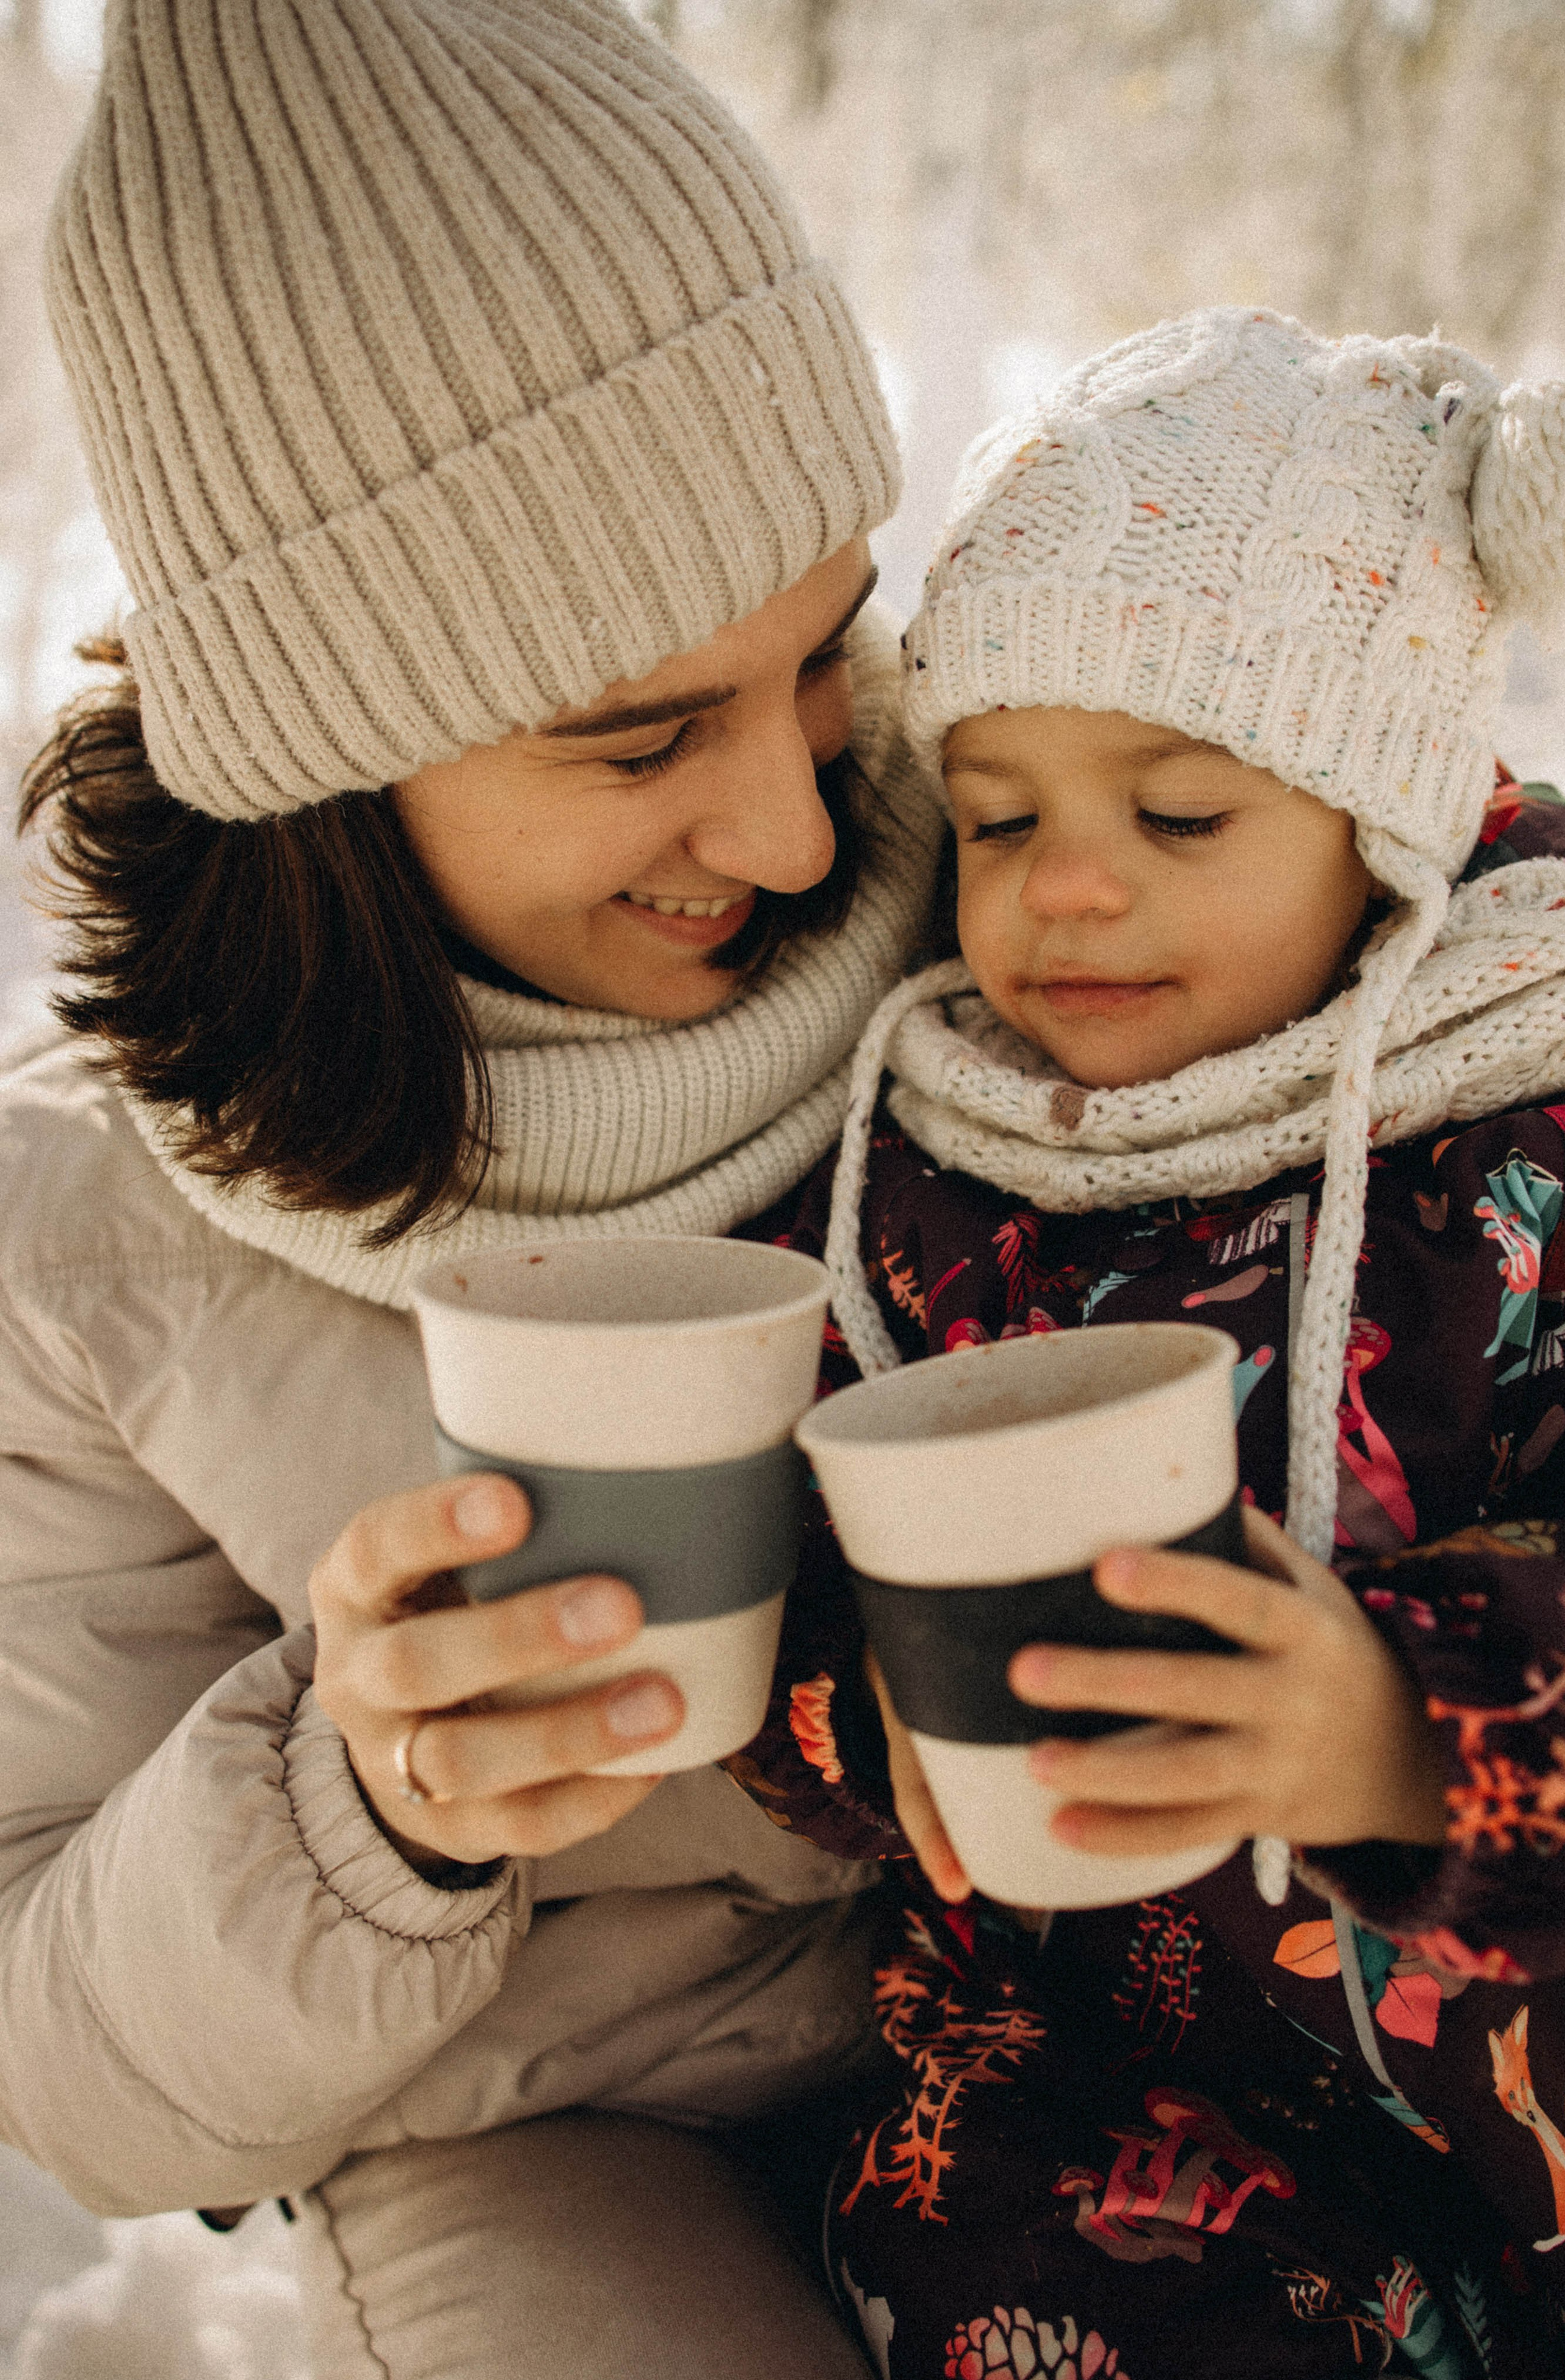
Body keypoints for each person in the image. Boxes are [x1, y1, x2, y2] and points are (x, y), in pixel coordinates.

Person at [0, 4, 943, 2374]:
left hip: (1148, 2016)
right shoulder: (91, 1238)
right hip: (572, 2129)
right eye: (640, 736)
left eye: (825, 651)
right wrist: (366, 1806)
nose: (800, 831)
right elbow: (57, 2068)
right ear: (332, 760)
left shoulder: (1047, 885)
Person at [729, 307, 1565, 2374]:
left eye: (1181, 816)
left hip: (1525, 2066)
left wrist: (1406, 1729)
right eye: (1000, 818)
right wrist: (865, 1713)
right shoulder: (920, 1168)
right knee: (982, 2265)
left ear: (1385, 823)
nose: (1069, 893)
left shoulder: (1542, 1136)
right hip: (1108, 2098)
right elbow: (788, 1567)